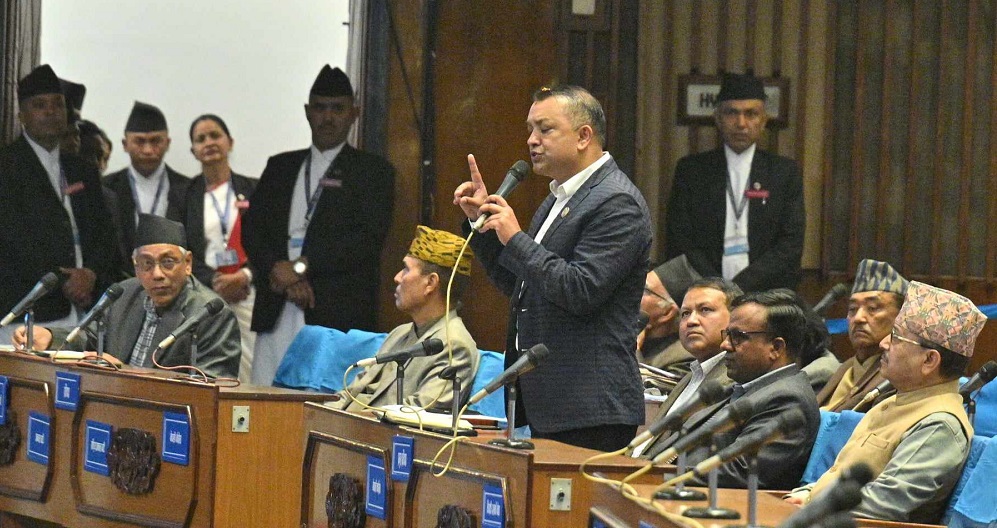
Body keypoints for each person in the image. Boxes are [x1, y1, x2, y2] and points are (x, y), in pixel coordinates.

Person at [453, 85, 652, 451]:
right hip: (553, 401)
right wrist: (481, 227)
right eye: (530, 129)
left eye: (545, 129)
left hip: (590, 406)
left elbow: (580, 291)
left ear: (583, 136)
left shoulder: (616, 202)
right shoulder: (558, 197)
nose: (532, 140)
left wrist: (515, 238)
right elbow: (521, 284)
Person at [242, 65, 395, 386]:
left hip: (336, 314)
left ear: (354, 114)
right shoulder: (280, 167)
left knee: (328, 402)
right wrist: (280, 272)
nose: (328, 117)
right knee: (266, 398)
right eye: (320, 108)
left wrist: (300, 268)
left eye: (337, 109)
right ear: (307, 112)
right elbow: (253, 230)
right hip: (277, 305)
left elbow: (366, 241)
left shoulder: (373, 173)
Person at [786, 281, 984, 524]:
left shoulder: (939, 424)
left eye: (896, 337)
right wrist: (806, 493)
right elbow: (838, 476)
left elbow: (882, 503)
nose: (883, 344)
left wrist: (812, 506)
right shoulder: (893, 402)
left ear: (929, 361)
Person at [13, 215, 241, 379]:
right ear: (135, 266)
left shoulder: (211, 314)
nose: (157, 274)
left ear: (188, 263)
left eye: (168, 262)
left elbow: (212, 387)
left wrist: (125, 373)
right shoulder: (123, 294)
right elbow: (91, 336)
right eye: (147, 264)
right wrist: (50, 337)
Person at [650, 290, 821, 489]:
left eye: (738, 337)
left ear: (776, 348)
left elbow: (739, 472)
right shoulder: (744, 387)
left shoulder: (789, 399)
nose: (725, 345)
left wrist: (652, 478)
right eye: (727, 334)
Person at [0, 64, 119, 345]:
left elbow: (103, 234)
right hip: (27, 311)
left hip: (84, 309)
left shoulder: (82, 169)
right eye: (40, 105)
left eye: (57, 104)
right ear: (22, 116)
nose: (51, 112)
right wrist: (63, 280)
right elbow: (13, 240)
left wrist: (90, 275)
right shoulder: (7, 168)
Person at [665, 73, 805, 292]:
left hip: (767, 291)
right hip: (704, 289)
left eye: (751, 114)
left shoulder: (784, 173)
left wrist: (740, 286)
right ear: (718, 119)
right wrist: (717, 286)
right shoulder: (692, 171)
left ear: (764, 121)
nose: (741, 123)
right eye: (732, 113)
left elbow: (790, 244)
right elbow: (680, 239)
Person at [338, 226, 478, 411]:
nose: (397, 277)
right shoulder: (399, 333)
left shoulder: (454, 346)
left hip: (375, 428)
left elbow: (417, 413)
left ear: (430, 283)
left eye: (405, 269)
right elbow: (350, 392)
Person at [183, 114, 257, 383]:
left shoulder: (254, 189)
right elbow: (183, 248)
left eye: (215, 135)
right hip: (206, 293)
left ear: (230, 142)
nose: (209, 142)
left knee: (251, 366)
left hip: (248, 292)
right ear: (193, 150)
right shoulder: (186, 194)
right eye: (201, 139)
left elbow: (267, 242)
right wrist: (214, 281)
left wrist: (244, 275)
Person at [635, 277, 742, 458]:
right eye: (685, 313)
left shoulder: (735, 380)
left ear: (736, 319)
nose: (691, 321)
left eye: (705, 310)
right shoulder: (691, 376)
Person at [103, 101, 190, 274]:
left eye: (155, 141)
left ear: (167, 143)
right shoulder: (106, 188)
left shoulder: (187, 188)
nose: (148, 150)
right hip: (120, 280)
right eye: (140, 141)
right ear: (125, 144)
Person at [817, 259, 907, 411]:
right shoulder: (846, 368)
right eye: (853, 309)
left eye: (872, 308)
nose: (858, 318)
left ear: (901, 316)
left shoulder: (898, 378)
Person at [636, 255, 701, 376]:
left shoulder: (685, 359)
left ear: (667, 313)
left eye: (645, 290)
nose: (634, 293)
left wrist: (632, 349)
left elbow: (642, 387)